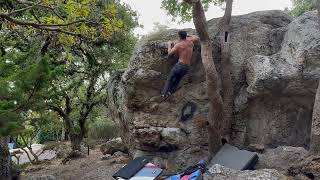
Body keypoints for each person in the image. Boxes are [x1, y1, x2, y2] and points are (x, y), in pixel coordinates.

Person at [161, 30, 199, 98]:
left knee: (170, 78)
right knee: (177, 79)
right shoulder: (190, 42)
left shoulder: (178, 45)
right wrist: (188, 35)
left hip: (180, 65)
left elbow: (169, 54)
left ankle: (164, 94)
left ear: (179, 36)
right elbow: (196, 37)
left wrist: (169, 44)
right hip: (187, 67)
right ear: (186, 35)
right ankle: (170, 93)